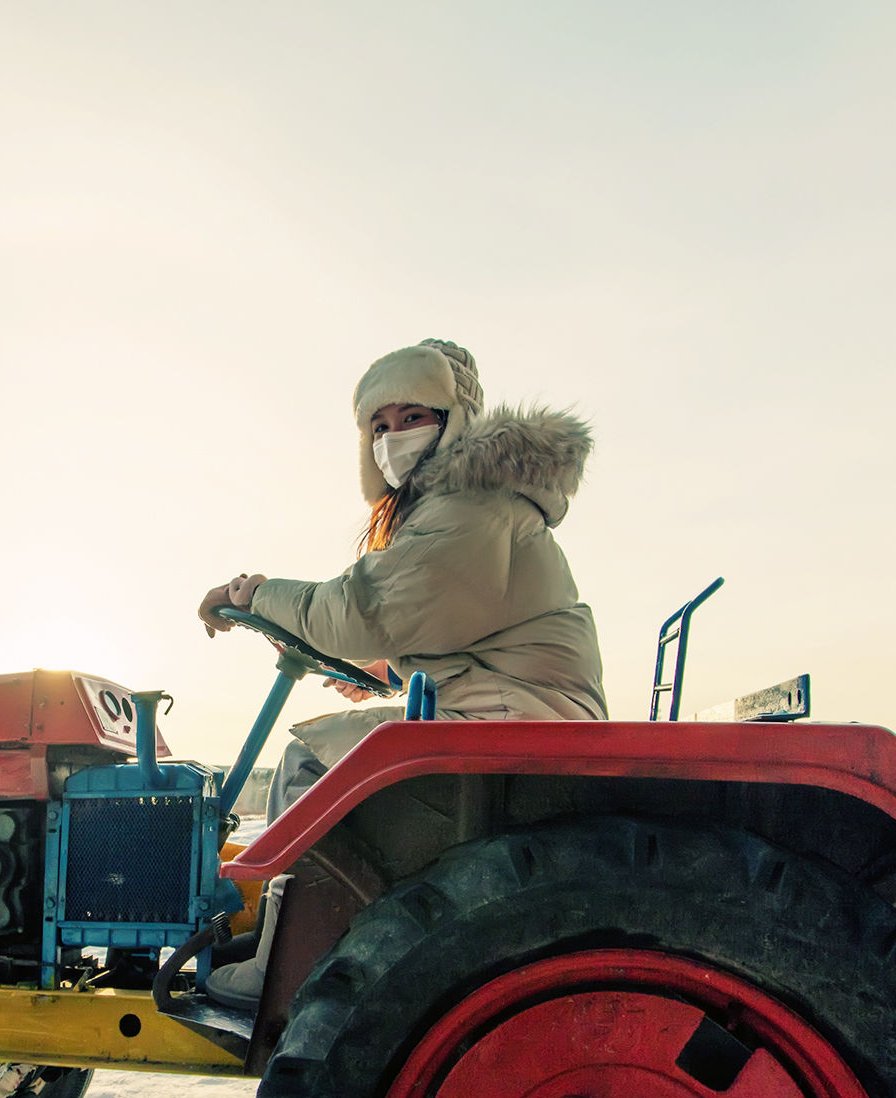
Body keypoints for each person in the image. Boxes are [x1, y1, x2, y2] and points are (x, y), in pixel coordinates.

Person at [193, 339, 605, 1005]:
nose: (393, 438)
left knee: (307, 761)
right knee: (326, 745)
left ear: (454, 420)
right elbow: (447, 626)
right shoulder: (475, 505)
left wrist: (255, 595)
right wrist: (386, 671)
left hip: (519, 722)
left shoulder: (471, 510)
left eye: (412, 417)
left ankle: (286, 965)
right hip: (510, 705)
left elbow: (364, 605)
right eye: (378, 426)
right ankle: (284, 941)